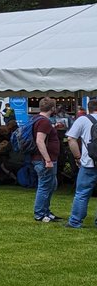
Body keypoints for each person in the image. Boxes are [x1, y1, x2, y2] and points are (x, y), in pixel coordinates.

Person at [66, 100, 97, 229]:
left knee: (82, 193)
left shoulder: (83, 120)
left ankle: (75, 221)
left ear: (89, 108)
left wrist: (77, 157)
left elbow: (71, 138)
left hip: (88, 162)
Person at [31, 98, 62, 223]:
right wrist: (47, 160)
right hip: (44, 159)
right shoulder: (44, 122)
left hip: (42, 159)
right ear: (53, 108)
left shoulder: (37, 119)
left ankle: (46, 211)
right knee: (45, 186)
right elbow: (40, 140)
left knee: (51, 185)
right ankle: (40, 213)